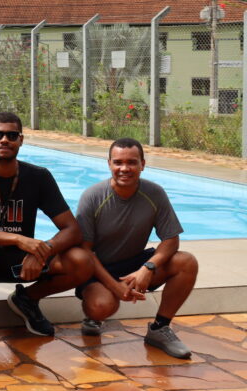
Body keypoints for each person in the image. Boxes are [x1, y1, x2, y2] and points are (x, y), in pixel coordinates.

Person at [0, 112, 92, 337]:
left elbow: (72, 230)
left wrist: (43, 251)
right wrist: (18, 239)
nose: (4, 140)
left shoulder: (38, 177)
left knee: (81, 261)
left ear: (21, 140)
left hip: (24, 262)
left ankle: (27, 299)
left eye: (12, 135)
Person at [76, 138, 198, 359]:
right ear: (109, 164)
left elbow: (171, 240)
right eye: (118, 162)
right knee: (101, 307)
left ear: (143, 164)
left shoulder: (154, 193)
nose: (125, 168)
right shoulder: (93, 196)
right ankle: (93, 318)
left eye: (132, 162)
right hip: (97, 269)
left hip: (134, 264)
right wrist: (115, 286)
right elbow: (85, 252)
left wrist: (148, 267)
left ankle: (160, 328)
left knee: (186, 262)